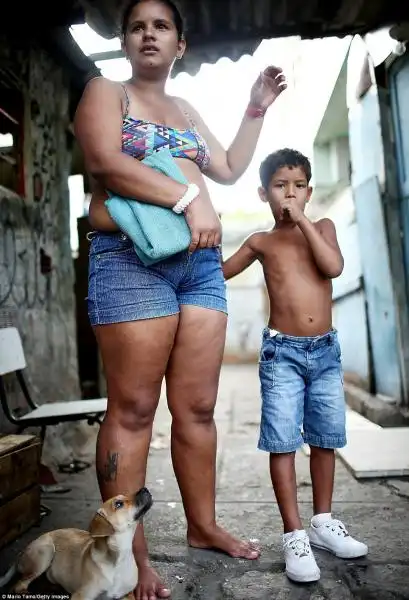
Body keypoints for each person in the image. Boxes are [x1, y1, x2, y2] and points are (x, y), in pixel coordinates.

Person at [73, 0, 287, 597]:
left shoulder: (187, 109)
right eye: (138, 26)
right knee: (134, 411)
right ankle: (128, 557)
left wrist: (254, 110)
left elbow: (227, 168)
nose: (149, 34)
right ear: (124, 41)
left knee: (195, 409)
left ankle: (203, 525)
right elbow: (103, 162)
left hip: (198, 269)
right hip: (130, 264)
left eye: (160, 26)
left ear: (179, 44)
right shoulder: (105, 92)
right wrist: (185, 198)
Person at [221, 148, 368, 584]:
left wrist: (303, 219)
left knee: (325, 438)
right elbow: (219, 272)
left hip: (325, 354)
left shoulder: (322, 227)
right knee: (283, 442)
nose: (290, 193)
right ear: (263, 192)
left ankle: (323, 522)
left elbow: (334, 267)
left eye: (299, 185)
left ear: (309, 190)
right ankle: (295, 535)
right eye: (281, 186)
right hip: (281, 355)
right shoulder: (260, 242)